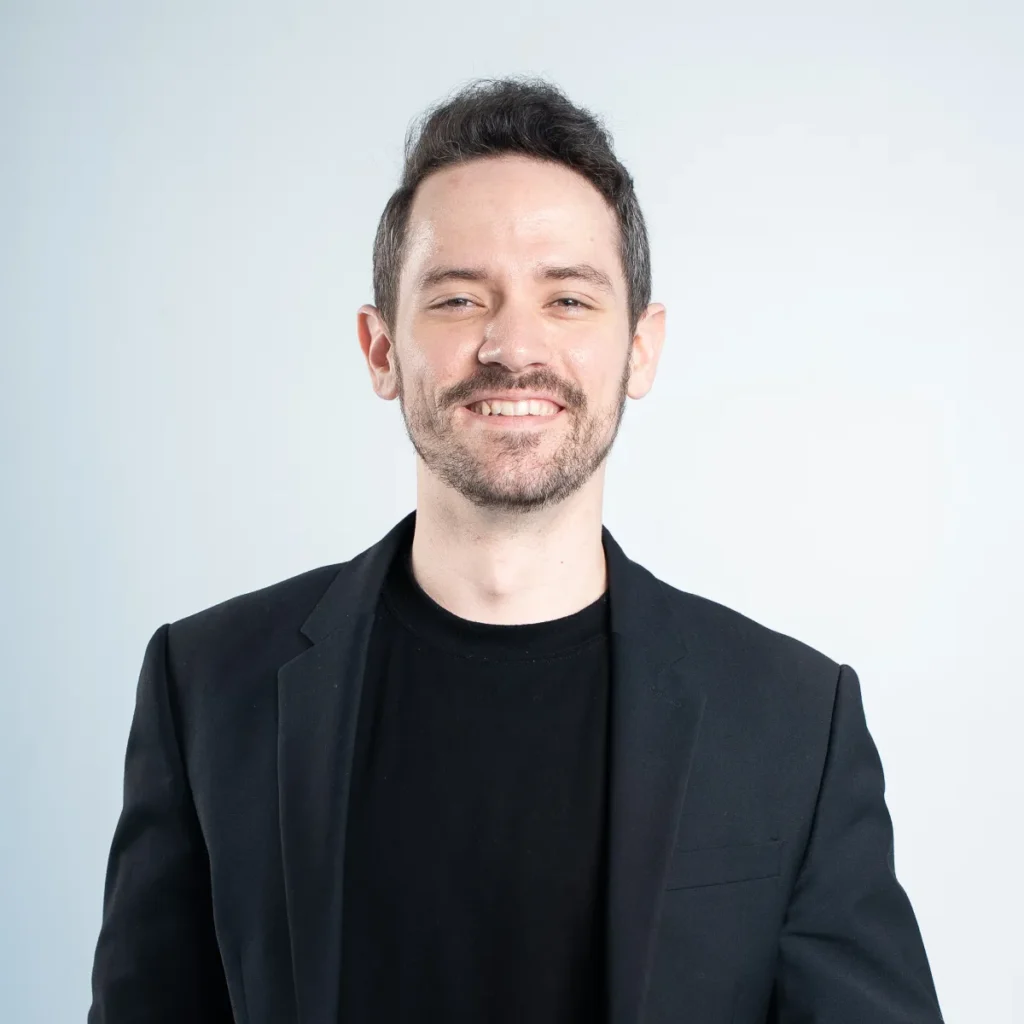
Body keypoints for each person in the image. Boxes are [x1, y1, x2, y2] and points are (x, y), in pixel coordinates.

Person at [87, 77, 944, 1024]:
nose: (512, 346)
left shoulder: (793, 722)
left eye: (568, 299)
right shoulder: (208, 686)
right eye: (459, 298)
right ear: (380, 349)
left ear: (640, 349)